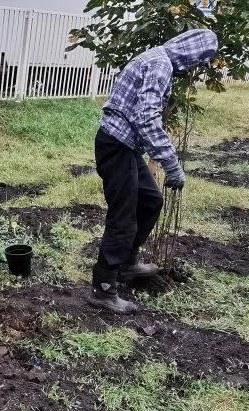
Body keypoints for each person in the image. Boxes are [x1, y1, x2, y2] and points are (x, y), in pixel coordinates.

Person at [90, 28, 220, 313]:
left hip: (127, 146)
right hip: (116, 146)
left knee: (150, 200)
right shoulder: (160, 64)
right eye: (200, 61)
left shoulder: (158, 59)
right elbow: (146, 117)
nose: (196, 68)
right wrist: (172, 165)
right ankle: (103, 289)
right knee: (122, 218)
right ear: (192, 53)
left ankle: (126, 263)